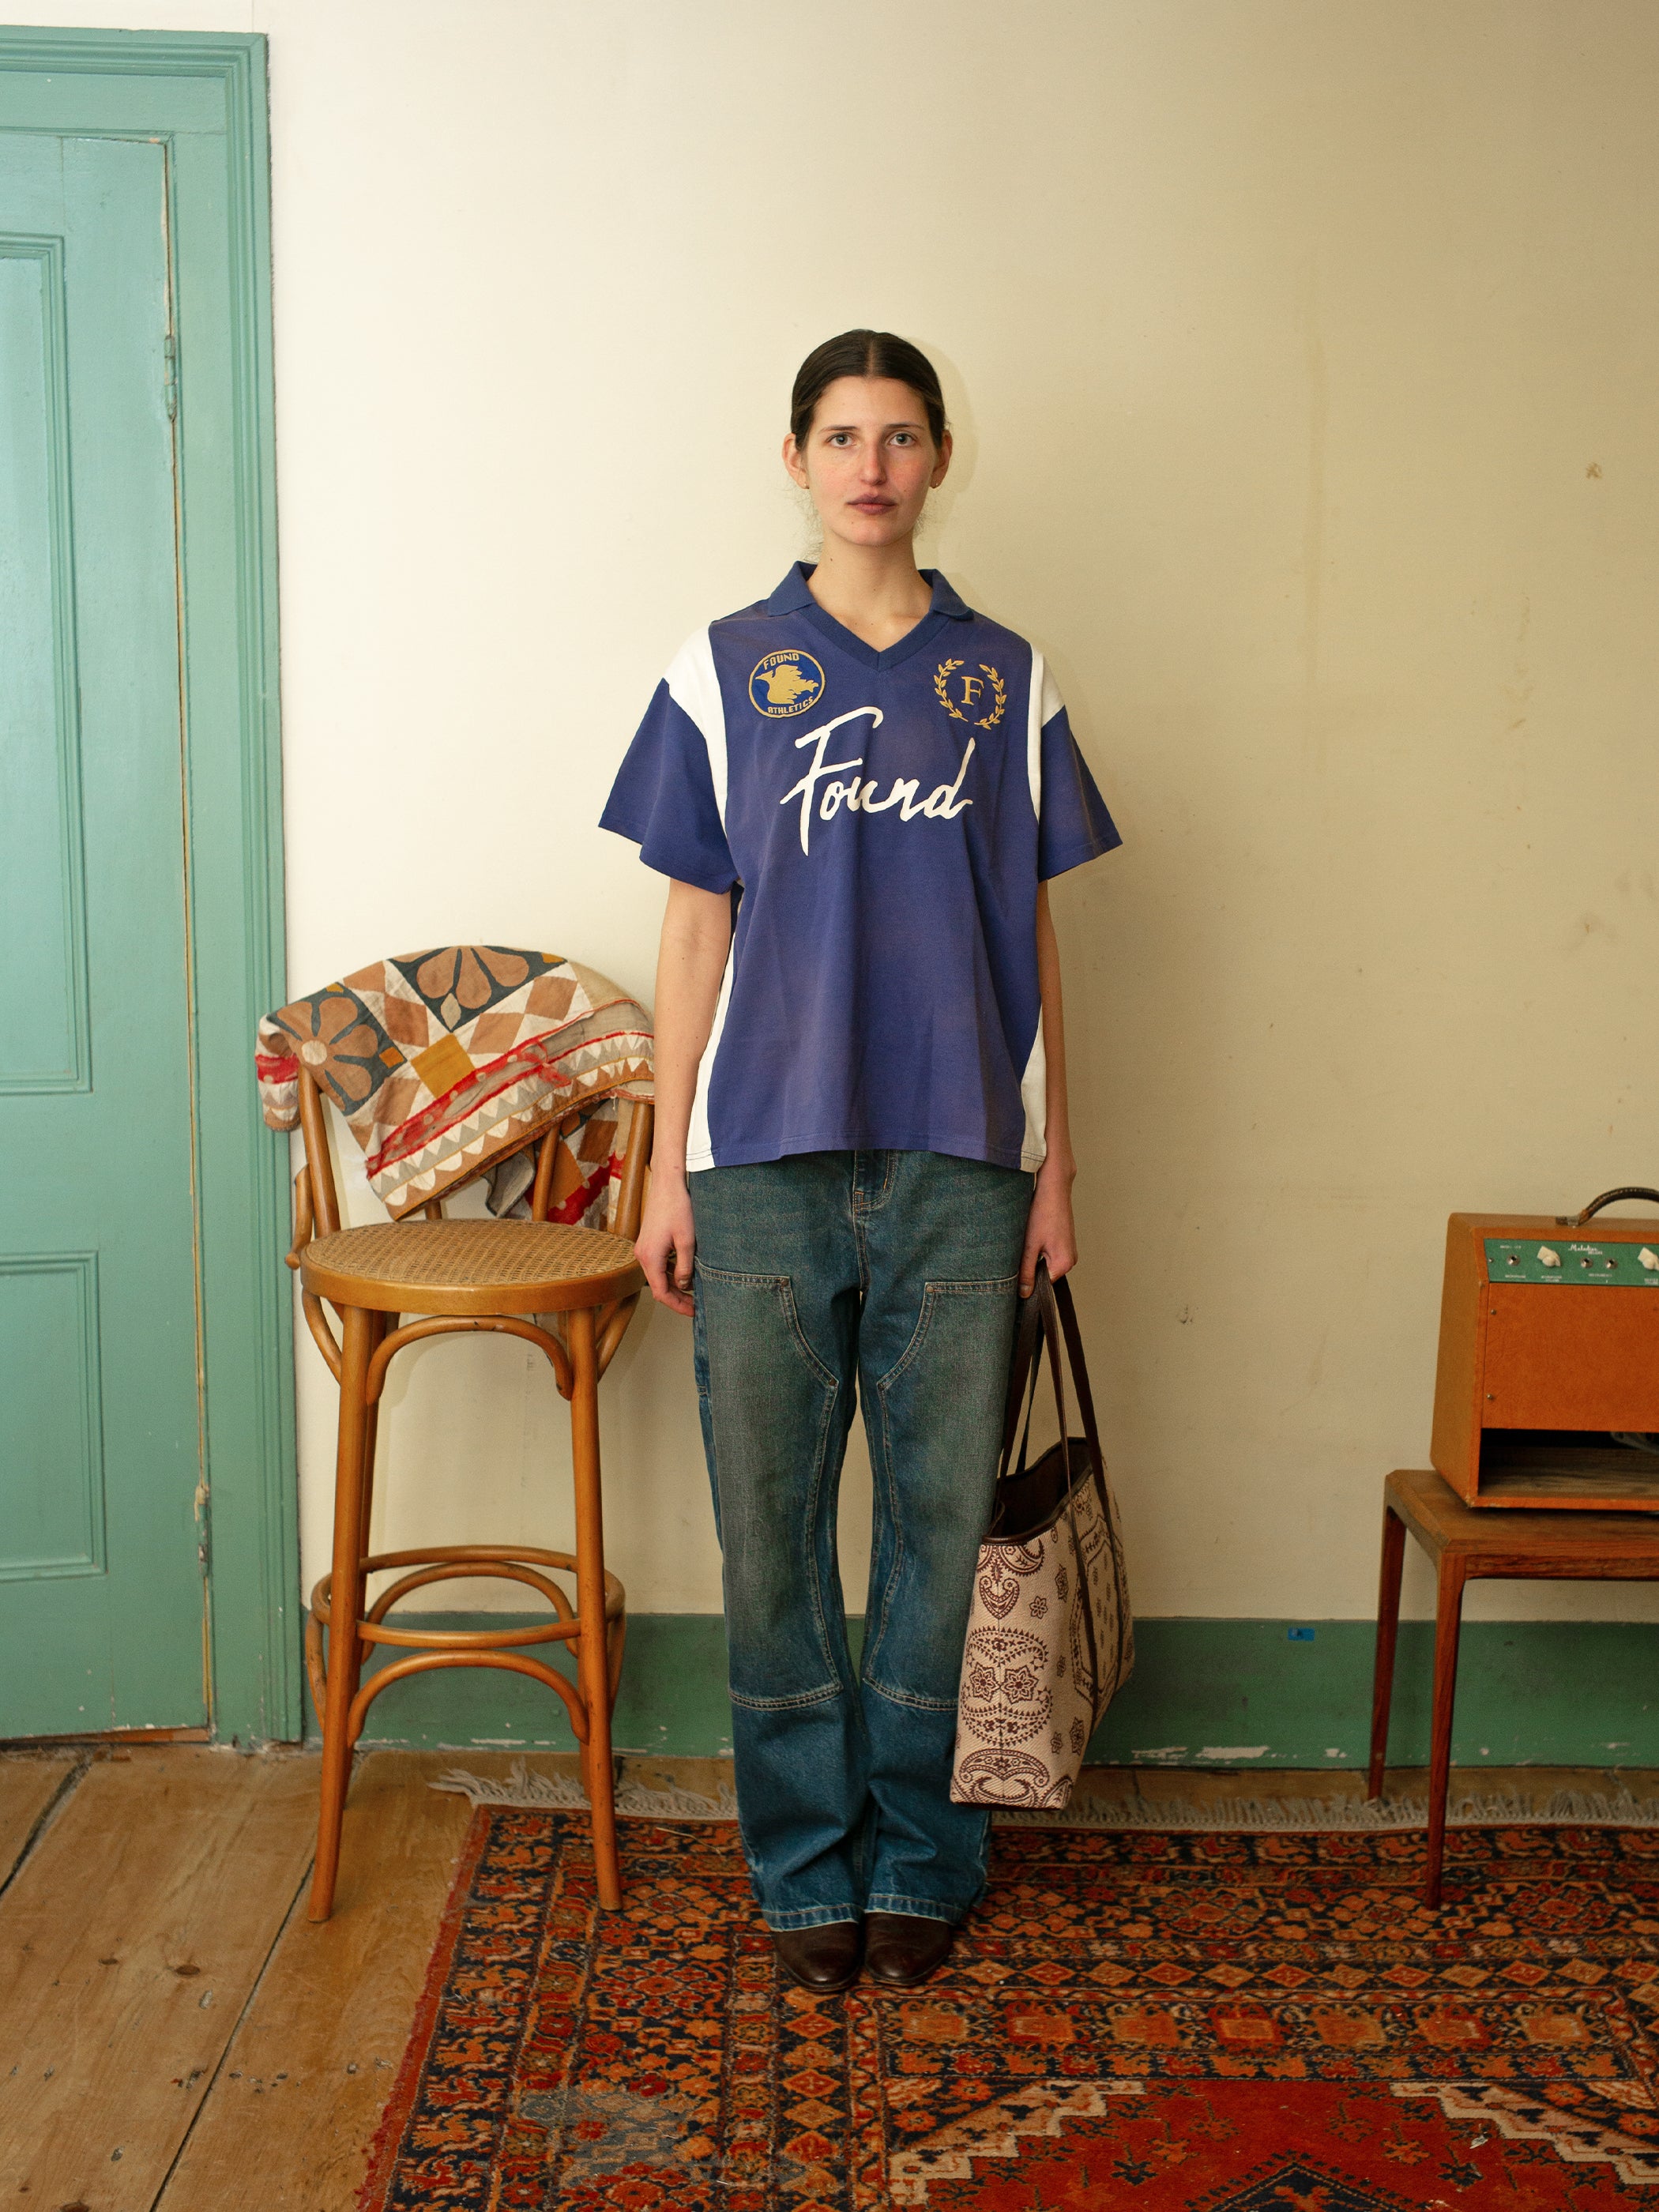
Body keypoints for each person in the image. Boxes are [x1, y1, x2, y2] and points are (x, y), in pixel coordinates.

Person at [600, 329, 1120, 1992]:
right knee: (769, 1540)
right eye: (842, 433)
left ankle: (922, 1850)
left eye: (901, 435)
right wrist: (662, 1164)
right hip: (758, 1157)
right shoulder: (724, 667)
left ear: (941, 457)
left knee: (934, 1532)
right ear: (797, 456)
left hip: (964, 1152)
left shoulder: (1011, 677)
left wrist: (1054, 1166)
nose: (872, 463)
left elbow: (1029, 930)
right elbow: (694, 926)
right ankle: (804, 1862)